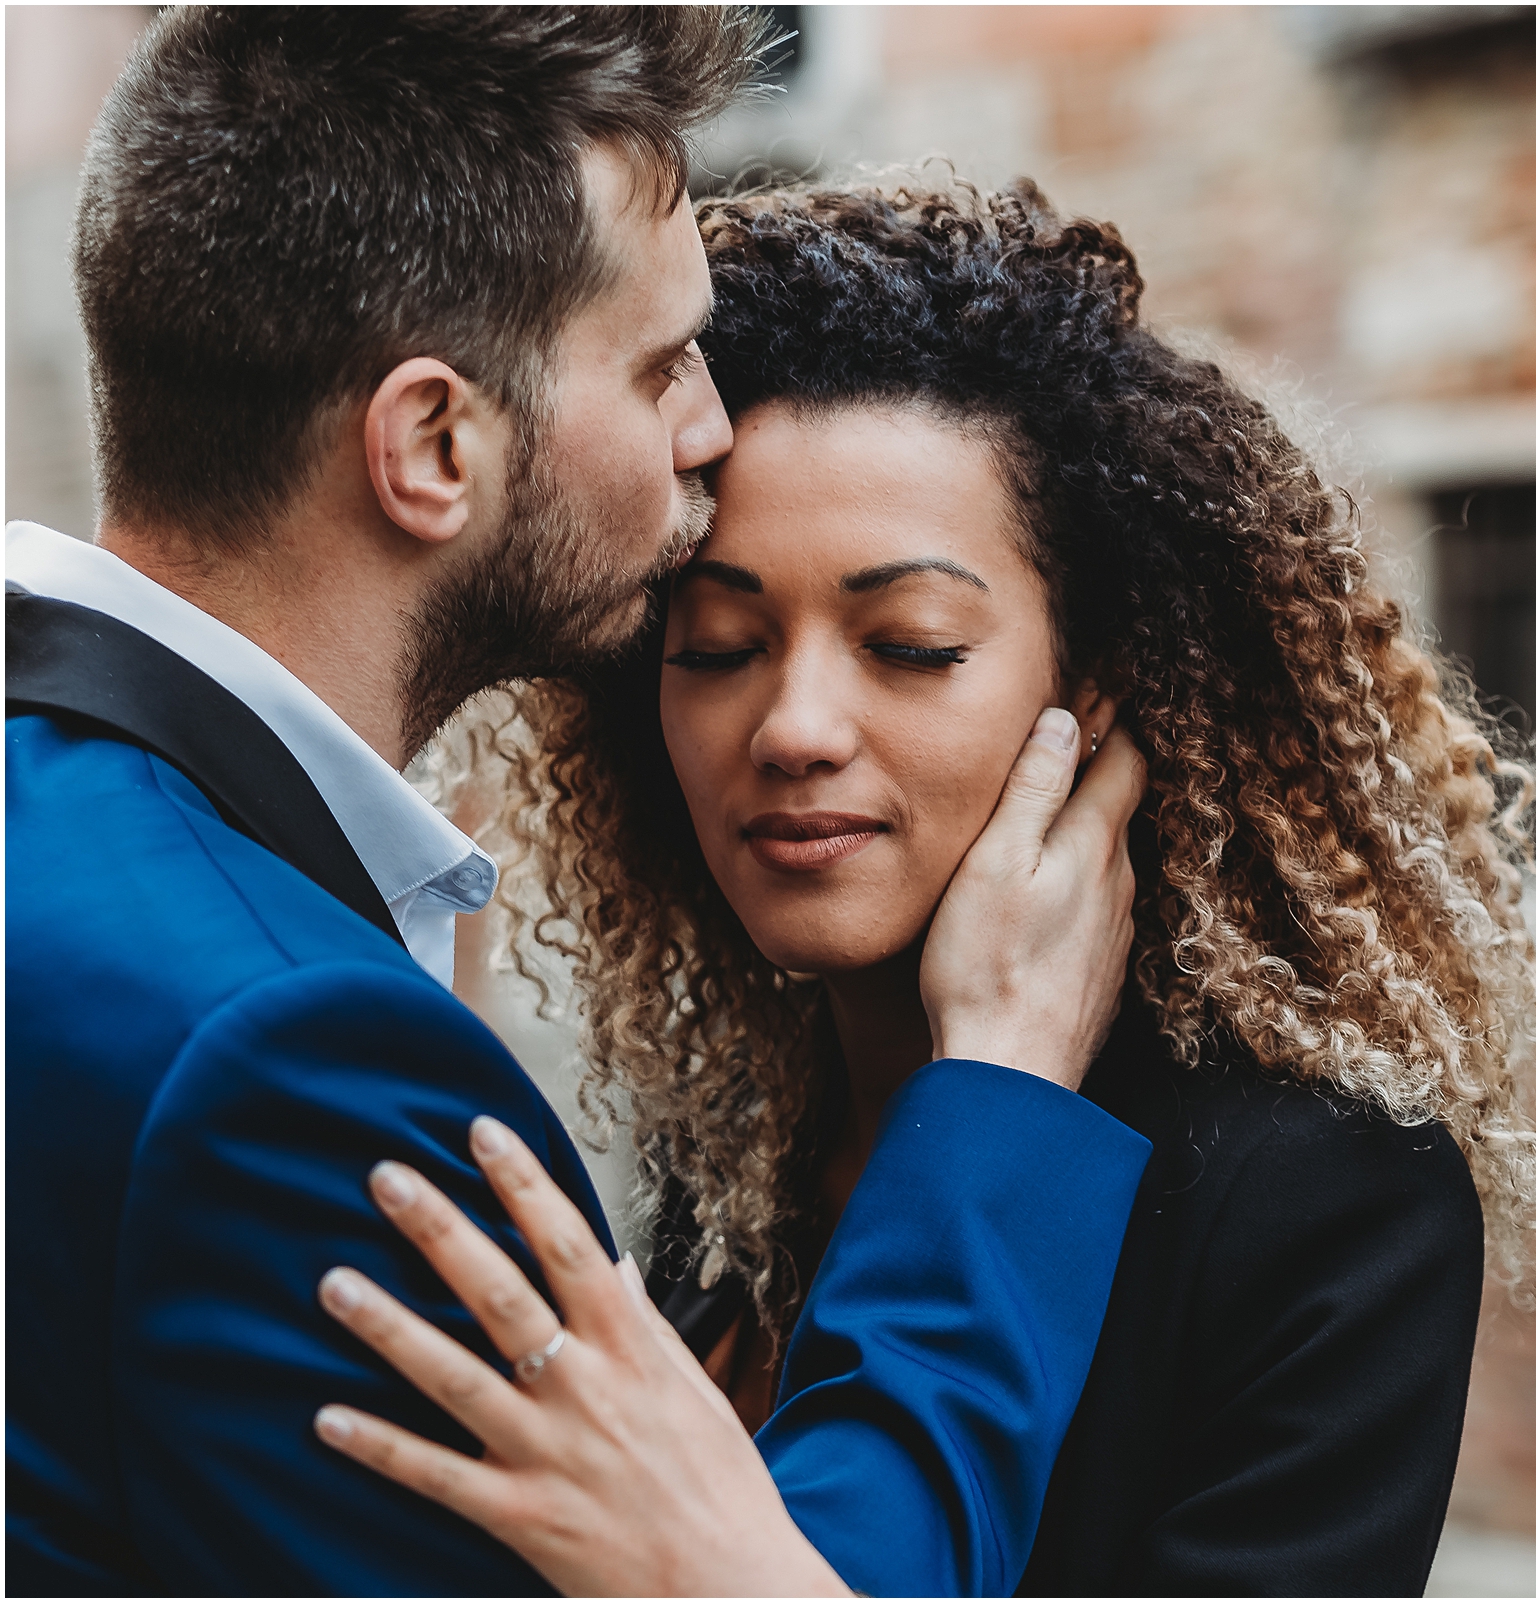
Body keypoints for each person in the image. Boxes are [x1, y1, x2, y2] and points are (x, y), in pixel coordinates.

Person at [5, 12, 1151, 1597]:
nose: (710, 429)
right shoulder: (287, 1061)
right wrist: (1006, 1099)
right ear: (431, 444)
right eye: (661, 364)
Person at [334, 176, 1536, 1595]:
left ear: (1102, 687)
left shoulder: (1322, 1192)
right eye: (722, 643)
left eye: (913, 644)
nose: (795, 727)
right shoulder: (737, 1138)